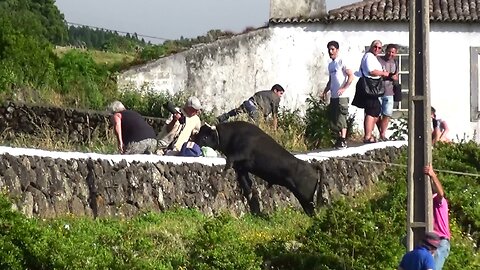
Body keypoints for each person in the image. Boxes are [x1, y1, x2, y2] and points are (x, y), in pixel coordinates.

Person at [354, 40, 391, 143]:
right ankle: (367, 136)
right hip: (369, 86)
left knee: (376, 109)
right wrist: (384, 73)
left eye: (379, 48)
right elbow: (372, 71)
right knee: (371, 110)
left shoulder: (373, 57)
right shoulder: (369, 56)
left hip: (373, 86)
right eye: (375, 47)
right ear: (371, 46)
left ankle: (370, 134)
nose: (377, 49)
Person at [322, 40, 354, 149]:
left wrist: (343, 88)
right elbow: (331, 80)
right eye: (329, 50)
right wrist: (325, 91)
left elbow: (351, 76)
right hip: (334, 95)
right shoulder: (331, 65)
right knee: (334, 118)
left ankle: (343, 139)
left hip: (342, 95)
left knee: (341, 117)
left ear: (337, 50)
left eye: (333, 49)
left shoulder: (342, 61)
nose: (331, 52)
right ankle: (339, 139)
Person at [216, 84, 285, 130]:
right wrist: (275, 129)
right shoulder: (276, 97)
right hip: (254, 107)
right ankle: (232, 130)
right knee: (254, 127)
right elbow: (275, 116)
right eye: (280, 93)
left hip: (248, 103)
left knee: (236, 112)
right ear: (275, 91)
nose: (281, 96)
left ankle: (221, 119)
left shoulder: (263, 92)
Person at [424, 164, 451, 270]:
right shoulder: (427, 203)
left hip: (441, 241)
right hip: (431, 241)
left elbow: (441, 193)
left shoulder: (438, 200)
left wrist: (432, 175)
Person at [376, 43, 399, 141]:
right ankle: (379, 131)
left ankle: (383, 133)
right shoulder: (378, 60)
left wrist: (395, 78)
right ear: (386, 51)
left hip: (390, 91)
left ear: (396, 53)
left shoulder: (395, 63)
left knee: (387, 114)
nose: (390, 54)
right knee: (376, 114)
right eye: (389, 51)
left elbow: (396, 76)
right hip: (378, 90)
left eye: (393, 52)